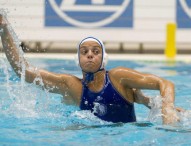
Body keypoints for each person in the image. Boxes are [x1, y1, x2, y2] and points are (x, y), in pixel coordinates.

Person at [0, 13, 179, 125]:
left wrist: (168, 108)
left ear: (104, 58)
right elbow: (23, 70)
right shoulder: (72, 86)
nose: (90, 55)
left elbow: (164, 83)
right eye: (84, 52)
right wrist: (4, 30)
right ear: (78, 60)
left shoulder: (119, 77)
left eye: (96, 51)